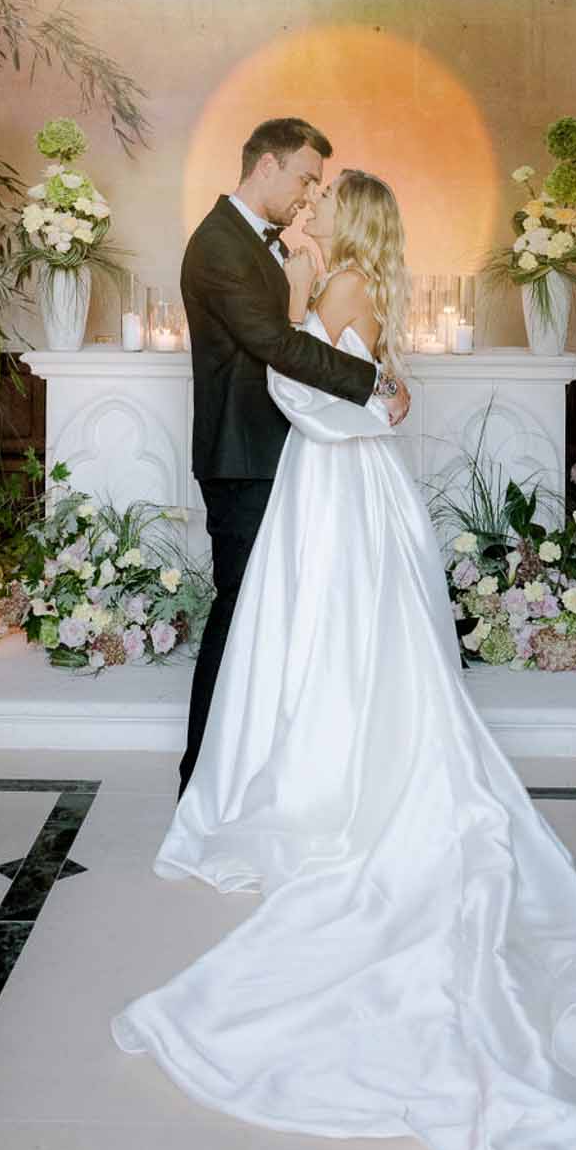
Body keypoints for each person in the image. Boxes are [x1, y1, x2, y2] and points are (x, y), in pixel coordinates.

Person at [113, 169, 576, 1150]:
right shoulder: (338, 282)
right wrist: (350, 350)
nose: (306, 213)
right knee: (340, 634)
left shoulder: (341, 286)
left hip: (342, 489)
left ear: (347, 223)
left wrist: (355, 363)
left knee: (343, 636)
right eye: (301, 199)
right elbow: (314, 385)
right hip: (343, 487)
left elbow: (307, 391)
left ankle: (342, 768)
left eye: (322, 206)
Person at [176, 118, 410, 797]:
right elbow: (277, 346)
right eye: (307, 178)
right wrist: (378, 382)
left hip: (289, 457)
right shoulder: (219, 245)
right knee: (241, 611)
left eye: (321, 187)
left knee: (274, 616)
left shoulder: (269, 247)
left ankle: (265, 765)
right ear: (267, 166)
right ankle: (204, 775)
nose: (311, 196)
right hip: (244, 458)